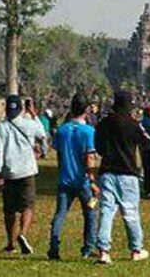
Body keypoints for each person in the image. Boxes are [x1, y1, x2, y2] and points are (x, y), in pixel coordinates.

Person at [95, 90, 150, 264]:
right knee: (130, 212)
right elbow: (148, 141)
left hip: (108, 172)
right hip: (128, 173)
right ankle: (136, 249)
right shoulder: (133, 124)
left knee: (106, 212)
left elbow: (98, 147)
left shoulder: (104, 123)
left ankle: (104, 251)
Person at [0, 95, 47, 255]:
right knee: (28, 206)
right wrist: (34, 113)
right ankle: (23, 234)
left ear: (7, 108)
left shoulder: (0, 128)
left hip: (9, 172)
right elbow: (42, 132)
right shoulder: (29, 124)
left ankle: (10, 243)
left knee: (9, 210)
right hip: (27, 170)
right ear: (21, 108)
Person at [48, 93, 98, 261]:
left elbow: (60, 155)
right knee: (90, 213)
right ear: (86, 110)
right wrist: (92, 180)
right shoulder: (89, 131)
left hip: (65, 179)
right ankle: (88, 247)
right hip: (82, 180)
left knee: (60, 214)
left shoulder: (62, 130)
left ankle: (53, 247)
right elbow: (89, 157)